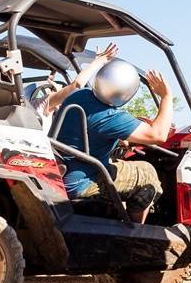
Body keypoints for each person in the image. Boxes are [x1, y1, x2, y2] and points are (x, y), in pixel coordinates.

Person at [47, 50, 175, 220]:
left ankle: (120, 217)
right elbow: (159, 134)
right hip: (82, 183)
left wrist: (122, 141)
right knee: (147, 173)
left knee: (120, 166)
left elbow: (92, 133)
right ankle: (135, 234)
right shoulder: (110, 117)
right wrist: (167, 96)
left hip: (63, 173)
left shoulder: (79, 95)